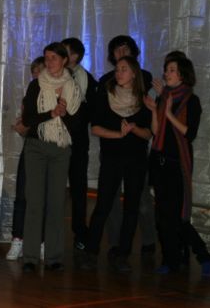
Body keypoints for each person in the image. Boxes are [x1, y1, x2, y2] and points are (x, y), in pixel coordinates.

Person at [143, 56, 210, 276]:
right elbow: (156, 132)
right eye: (166, 69)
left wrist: (168, 113)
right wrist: (154, 109)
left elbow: (189, 133)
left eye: (172, 70)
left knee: (177, 218)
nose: (167, 73)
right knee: (162, 218)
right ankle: (170, 261)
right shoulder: (164, 96)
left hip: (177, 165)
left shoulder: (191, 100)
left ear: (182, 74)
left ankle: (203, 255)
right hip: (159, 162)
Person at [81, 56, 152, 272]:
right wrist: (119, 135)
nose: (118, 73)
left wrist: (133, 129)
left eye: (124, 69)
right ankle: (91, 253)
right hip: (112, 158)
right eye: (117, 69)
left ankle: (123, 255)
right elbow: (95, 128)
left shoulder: (143, 99)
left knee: (132, 207)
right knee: (103, 205)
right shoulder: (105, 95)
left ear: (134, 74)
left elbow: (148, 133)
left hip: (136, 159)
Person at [21, 42, 81, 272]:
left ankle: (54, 257)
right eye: (46, 58)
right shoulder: (36, 84)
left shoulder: (72, 87)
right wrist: (51, 112)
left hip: (60, 149)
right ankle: (30, 257)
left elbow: (77, 125)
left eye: (54, 58)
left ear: (64, 60)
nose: (49, 62)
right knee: (34, 202)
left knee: (56, 203)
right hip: (36, 146)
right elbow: (28, 119)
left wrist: (63, 115)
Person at [98, 35, 157, 258]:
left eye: (125, 48)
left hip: (136, 149)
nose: (121, 53)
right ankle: (115, 243)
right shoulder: (106, 81)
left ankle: (149, 240)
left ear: (133, 52)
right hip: (111, 149)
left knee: (141, 198)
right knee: (111, 199)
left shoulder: (145, 78)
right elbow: (98, 120)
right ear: (111, 56)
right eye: (116, 50)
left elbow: (151, 116)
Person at [6, 56, 45, 260]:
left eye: (39, 72)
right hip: (30, 148)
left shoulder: (57, 93)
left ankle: (42, 242)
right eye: (33, 73)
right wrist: (22, 127)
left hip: (49, 149)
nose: (36, 76)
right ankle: (17, 239)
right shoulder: (29, 97)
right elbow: (26, 126)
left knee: (45, 198)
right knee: (22, 195)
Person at [61, 37, 98, 250]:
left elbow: (91, 112)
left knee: (78, 188)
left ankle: (80, 233)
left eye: (64, 51)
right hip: (55, 139)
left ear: (74, 56)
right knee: (53, 187)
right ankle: (47, 233)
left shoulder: (87, 80)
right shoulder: (53, 75)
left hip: (78, 142)